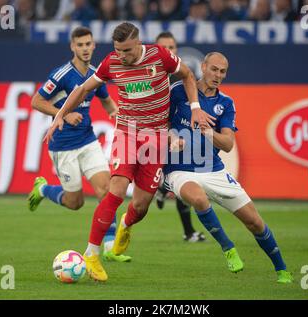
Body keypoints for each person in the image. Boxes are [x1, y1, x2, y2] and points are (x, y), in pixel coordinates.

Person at [44, 22, 215, 281]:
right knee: (116, 190)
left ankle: (125, 225)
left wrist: (194, 107)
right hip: (127, 134)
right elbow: (83, 89)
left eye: (126, 51)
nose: (121, 56)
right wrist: (60, 114)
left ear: (138, 44)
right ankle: (91, 254)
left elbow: (188, 76)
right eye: (117, 50)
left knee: (141, 205)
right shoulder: (112, 62)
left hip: (156, 140)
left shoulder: (160, 56)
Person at [163, 52, 294, 284]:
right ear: (203, 67)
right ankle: (228, 248)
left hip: (214, 170)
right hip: (179, 169)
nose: (218, 75)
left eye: (222, 72)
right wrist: (170, 138)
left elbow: (228, 143)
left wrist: (207, 131)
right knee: (199, 199)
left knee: (254, 222)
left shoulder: (225, 103)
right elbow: (160, 122)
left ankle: (282, 270)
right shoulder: (178, 91)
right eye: (214, 69)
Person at [28, 26, 131, 263]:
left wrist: (117, 114)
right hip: (63, 146)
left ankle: (109, 245)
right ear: (73, 47)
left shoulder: (96, 74)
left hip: (88, 140)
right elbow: (36, 101)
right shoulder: (62, 74)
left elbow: (106, 100)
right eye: (80, 45)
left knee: (107, 189)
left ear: (94, 45)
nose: (85, 49)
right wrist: (62, 114)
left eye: (88, 44)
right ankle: (43, 189)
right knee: (75, 202)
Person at [155, 31, 206, 243]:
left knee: (184, 180)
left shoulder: (181, 79)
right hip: (149, 136)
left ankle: (188, 232)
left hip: (173, 137)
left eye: (173, 47)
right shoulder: (149, 78)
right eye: (164, 47)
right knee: (141, 199)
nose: (169, 51)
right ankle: (160, 186)